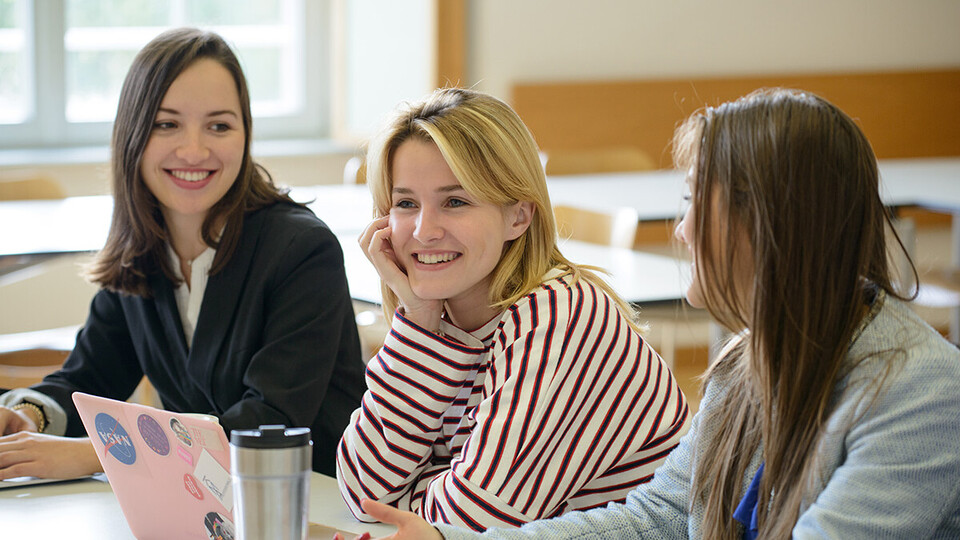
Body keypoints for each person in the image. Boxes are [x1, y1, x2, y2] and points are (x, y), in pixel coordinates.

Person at [338, 88, 960, 539]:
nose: (682, 231)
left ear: (776, 225)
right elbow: (663, 515)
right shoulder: (748, 356)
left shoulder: (920, 388)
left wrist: (444, 529)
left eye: (697, 203)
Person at [0, 28, 366, 478]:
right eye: (166, 124)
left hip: (317, 503)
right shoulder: (144, 250)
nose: (194, 150)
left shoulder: (302, 251)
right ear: (133, 134)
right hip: (203, 502)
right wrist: (29, 416)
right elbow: (87, 381)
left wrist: (100, 456)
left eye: (219, 125)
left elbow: (268, 420)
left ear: (245, 135)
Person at [337, 88, 690, 531]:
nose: (424, 231)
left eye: (456, 201)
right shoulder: (438, 319)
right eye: (406, 203)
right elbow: (363, 495)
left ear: (518, 217)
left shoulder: (561, 318)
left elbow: (469, 525)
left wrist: (413, 491)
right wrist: (419, 324)